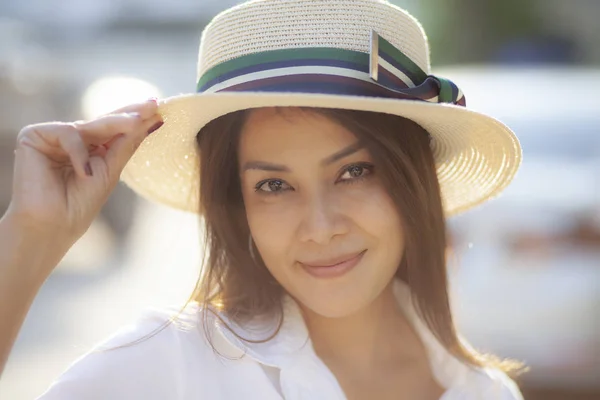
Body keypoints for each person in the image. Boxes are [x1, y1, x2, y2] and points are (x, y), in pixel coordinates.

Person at [0, 0, 526, 399]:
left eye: (355, 172)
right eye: (274, 185)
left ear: (414, 179)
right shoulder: (168, 367)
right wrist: (30, 239)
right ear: (237, 203)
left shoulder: (485, 391)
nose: (320, 228)